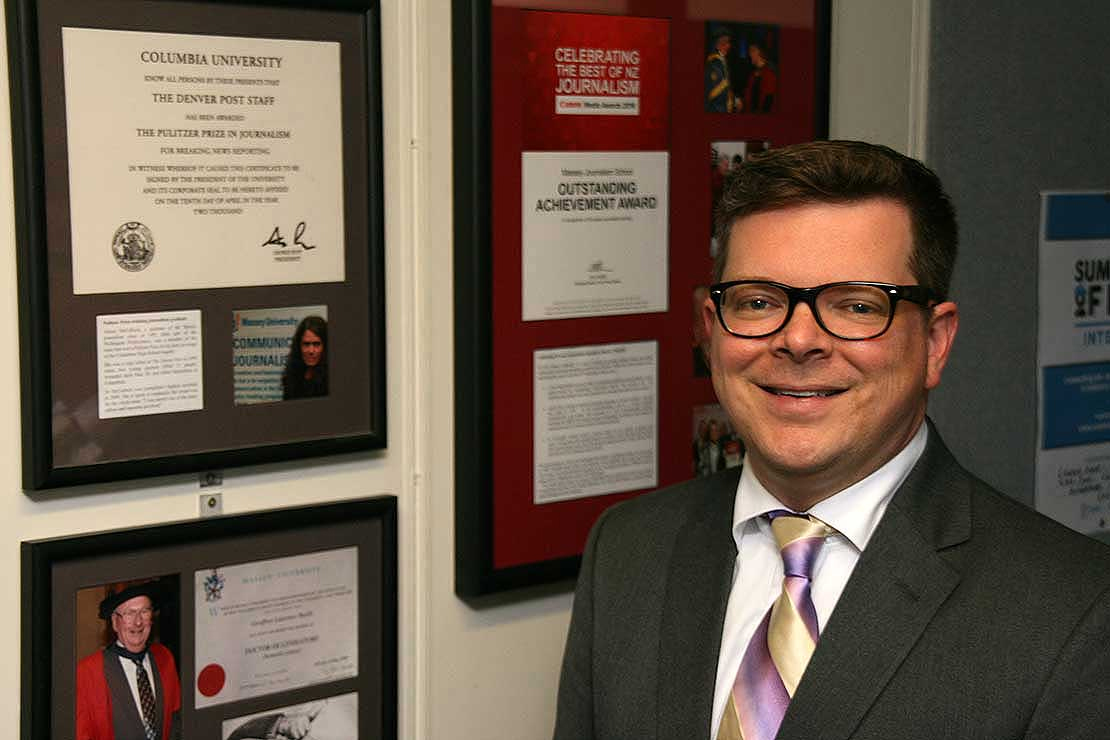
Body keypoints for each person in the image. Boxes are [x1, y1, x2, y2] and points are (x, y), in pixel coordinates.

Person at [553, 140, 1110, 739]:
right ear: (711, 333)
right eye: (759, 301)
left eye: (856, 307)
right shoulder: (629, 548)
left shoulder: (1075, 610)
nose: (798, 341)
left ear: (935, 342)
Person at [77, 581, 181, 740]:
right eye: (129, 613)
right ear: (115, 622)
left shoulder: (164, 657)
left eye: (144, 611)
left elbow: (176, 721)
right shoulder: (87, 672)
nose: (138, 622)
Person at [282, 315, 328, 400]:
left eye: (316, 344)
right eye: (306, 344)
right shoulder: (292, 376)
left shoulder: (331, 378)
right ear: (298, 346)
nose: (311, 351)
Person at [705, 28, 737, 113]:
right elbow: (708, 95)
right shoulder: (712, 64)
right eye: (724, 42)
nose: (728, 46)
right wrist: (724, 84)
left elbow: (728, 88)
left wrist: (734, 100)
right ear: (717, 45)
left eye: (728, 42)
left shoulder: (723, 62)